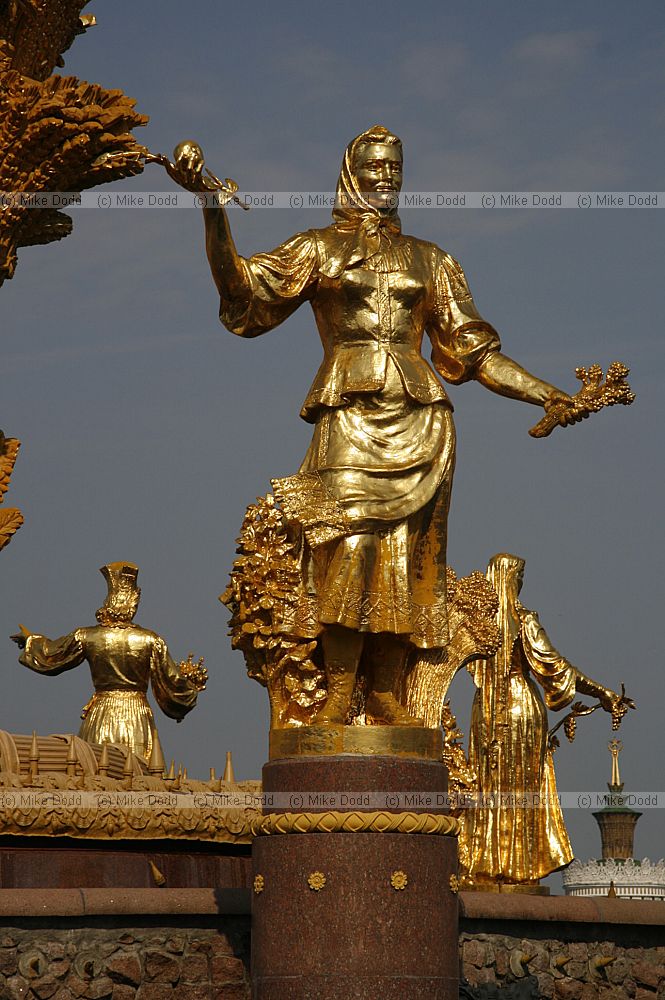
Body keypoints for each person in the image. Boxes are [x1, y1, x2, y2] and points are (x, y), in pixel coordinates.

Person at [169, 125, 582, 727]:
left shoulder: (431, 258)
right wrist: (209, 207)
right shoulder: (319, 248)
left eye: (397, 165)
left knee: (407, 558)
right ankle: (339, 690)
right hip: (348, 416)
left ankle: (386, 691)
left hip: (422, 420)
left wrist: (546, 393)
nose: (387, 175)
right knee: (346, 546)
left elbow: (474, 351)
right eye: (376, 165)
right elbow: (245, 296)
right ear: (351, 172)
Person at [461, 553, 634, 887]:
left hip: (484, 708)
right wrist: (602, 692)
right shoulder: (523, 620)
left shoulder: (476, 622)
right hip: (519, 707)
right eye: (520, 576)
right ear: (510, 578)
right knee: (519, 784)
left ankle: (487, 864)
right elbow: (555, 667)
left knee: (489, 784)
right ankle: (518, 868)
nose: (523, 582)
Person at [12, 562, 205, 758]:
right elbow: (171, 683)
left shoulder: (88, 636)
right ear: (133, 603)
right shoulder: (150, 640)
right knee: (140, 771)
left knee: (97, 769)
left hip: (101, 714)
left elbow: (51, 654)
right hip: (137, 715)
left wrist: (30, 640)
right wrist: (190, 687)